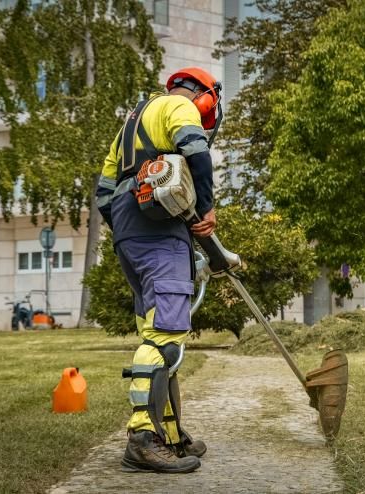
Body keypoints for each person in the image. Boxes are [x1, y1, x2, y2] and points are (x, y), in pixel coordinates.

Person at [95, 67, 222, 474]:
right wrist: (204, 207)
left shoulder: (129, 126)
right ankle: (142, 441)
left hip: (128, 235)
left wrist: (131, 230)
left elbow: (102, 195)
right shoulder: (178, 107)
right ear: (204, 96)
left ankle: (169, 434)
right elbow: (197, 153)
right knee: (164, 337)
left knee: (158, 336)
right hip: (157, 234)